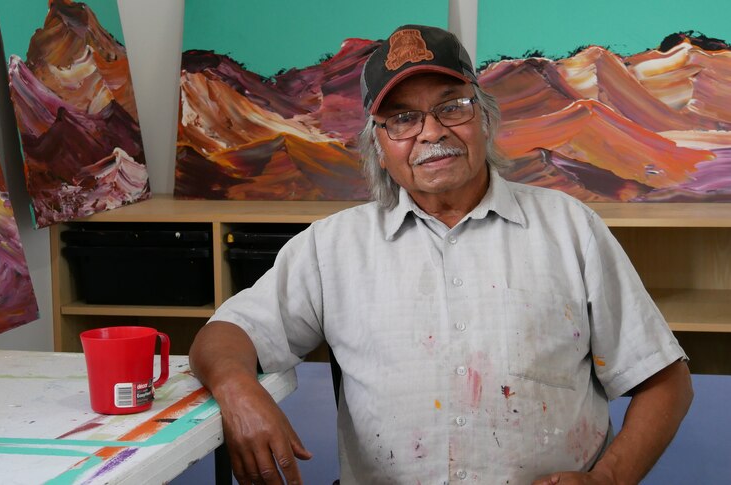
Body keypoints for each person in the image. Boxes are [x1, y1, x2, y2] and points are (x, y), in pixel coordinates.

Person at [189, 24, 693, 485]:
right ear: (378, 146)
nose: (432, 133)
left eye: (452, 107)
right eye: (403, 120)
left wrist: (608, 479)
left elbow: (665, 382)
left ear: (484, 119)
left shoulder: (569, 228)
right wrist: (237, 389)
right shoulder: (333, 247)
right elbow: (225, 335)